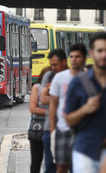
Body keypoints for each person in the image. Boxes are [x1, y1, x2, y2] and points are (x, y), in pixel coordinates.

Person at [64, 32, 106, 173]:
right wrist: (85, 109)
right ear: (92, 53)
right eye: (100, 51)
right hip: (85, 150)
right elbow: (68, 119)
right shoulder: (79, 82)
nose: (104, 55)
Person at [49, 44, 87, 173]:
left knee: (80, 167)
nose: (74, 59)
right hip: (62, 129)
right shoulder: (60, 77)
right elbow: (53, 104)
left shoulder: (89, 78)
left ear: (84, 59)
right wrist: (53, 129)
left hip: (83, 130)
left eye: (77, 56)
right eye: (72, 56)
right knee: (61, 166)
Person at [41, 49, 68, 173]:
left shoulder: (73, 76)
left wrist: (55, 95)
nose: (53, 68)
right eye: (51, 65)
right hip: (49, 129)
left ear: (64, 62)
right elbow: (43, 99)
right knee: (50, 167)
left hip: (69, 129)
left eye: (56, 65)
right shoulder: (49, 75)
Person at [28, 66, 51, 173]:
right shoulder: (37, 87)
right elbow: (32, 108)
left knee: (51, 162)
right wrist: (52, 113)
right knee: (36, 160)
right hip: (38, 129)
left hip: (53, 130)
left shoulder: (58, 89)